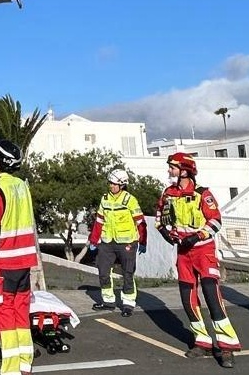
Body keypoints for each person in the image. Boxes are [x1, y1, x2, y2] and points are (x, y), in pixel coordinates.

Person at [157, 152, 240, 367]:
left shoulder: (203, 194)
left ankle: (227, 347)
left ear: (185, 171)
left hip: (204, 251)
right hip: (183, 253)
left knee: (212, 296)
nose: (169, 170)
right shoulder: (168, 193)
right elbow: (160, 217)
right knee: (188, 299)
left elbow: (216, 221)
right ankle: (202, 342)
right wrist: (165, 232)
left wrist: (197, 236)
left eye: (173, 167)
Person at [0, 138, 40, 375]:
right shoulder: (22, 186)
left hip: (3, 263)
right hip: (25, 262)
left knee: (4, 316)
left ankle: (11, 370)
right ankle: (25, 365)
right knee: (21, 314)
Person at [87, 168, 147, 316]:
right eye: (110, 183)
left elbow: (140, 222)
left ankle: (128, 304)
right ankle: (108, 302)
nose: (111, 186)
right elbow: (99, 220)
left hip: (127, 242)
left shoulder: (130, 200)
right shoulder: (105, 199)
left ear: (122, 185)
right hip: (107, 242)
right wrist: (93, 239)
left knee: (127, 273)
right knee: (103, 272)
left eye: (114, 184)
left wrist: (143, 241)